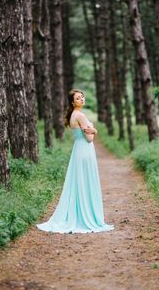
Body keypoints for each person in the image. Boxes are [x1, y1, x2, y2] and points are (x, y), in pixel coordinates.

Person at [36, 89, 114, 234]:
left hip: (78, 151)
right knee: (86, 182)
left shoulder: (73, 115)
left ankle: (78, 213)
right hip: (85, 151)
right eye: (78, 98)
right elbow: (90, 139)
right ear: (73, 102)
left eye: (82, 96)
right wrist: (95, 131)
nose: (82, 99)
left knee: (79, 183)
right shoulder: (81, 116)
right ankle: (87, 217)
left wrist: (91, 130)